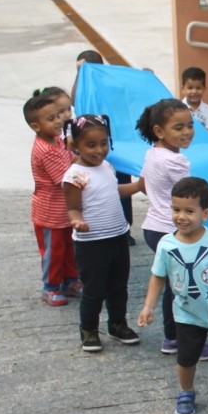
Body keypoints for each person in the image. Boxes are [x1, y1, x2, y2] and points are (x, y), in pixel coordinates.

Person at [137, 177, 208, 414]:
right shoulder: (166, 245)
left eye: (189, 211)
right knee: (186, 358)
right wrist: (149, 306)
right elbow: (158, 277)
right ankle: (186, 391)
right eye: (176, 209)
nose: (181, 216)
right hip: (187, 313)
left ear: (206, 213)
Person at [61, 114, 142, 352]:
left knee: (119, 286)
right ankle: (88, 330)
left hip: (117, 237)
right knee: (94, 290)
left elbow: (113, 191)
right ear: (75, 145)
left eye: (104, 143)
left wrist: (137, 186)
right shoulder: (75, 175)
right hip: (91, 243)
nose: (100, 150)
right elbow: (73, 208)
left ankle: (117, 325)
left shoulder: (107, 166)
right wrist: (77, 221)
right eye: (91, 145)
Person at [137, 98, 195, 355]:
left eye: (190, 125)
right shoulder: (175, 161)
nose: (187, 132)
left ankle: (173, 336)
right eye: (179, 127)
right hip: (169, 229)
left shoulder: (153, 152)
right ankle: (175, 338)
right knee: (178, 287)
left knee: (173, 284)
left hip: (153, 227)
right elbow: (189, 194)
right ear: (159, 131)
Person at [71, 50, 136, 245]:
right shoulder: (81, 88)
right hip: (93, 145)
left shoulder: (112, 85)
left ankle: (124, 225)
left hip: (115, 145)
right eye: (78, 70)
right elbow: (74, 101)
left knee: (119, 182)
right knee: (95, 186)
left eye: (83, 69)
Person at [25, 92, 79, 306]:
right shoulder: (45, 149)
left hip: (65, 209)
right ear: (36, 126)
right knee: (53, 251)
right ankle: (51, 286)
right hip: (50, 213)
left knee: (69, 246)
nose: (58, 121)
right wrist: (85, 168)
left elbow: (70, 159)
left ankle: (71, 280)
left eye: (58, 115)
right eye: (51, 119)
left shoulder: (58, 140)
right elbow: (64, 179)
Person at [181, 66, 208, 134]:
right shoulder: (177, 109)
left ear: (204, 89)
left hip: (201, 144)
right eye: (190, 88)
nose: (194, 91)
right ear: (183, 89)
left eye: (198, 88)